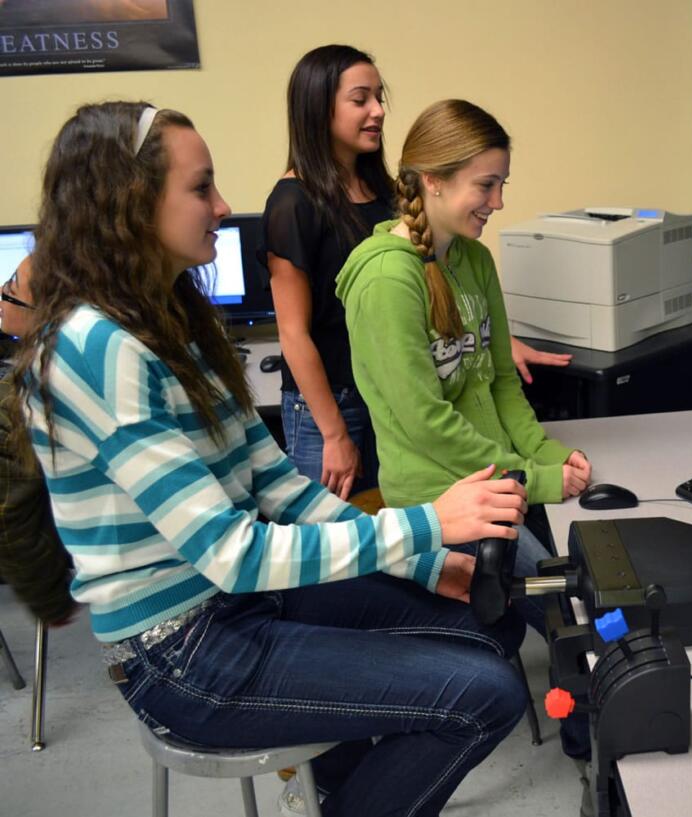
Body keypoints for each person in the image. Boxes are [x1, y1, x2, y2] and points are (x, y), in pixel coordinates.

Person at [11, 100, 534, 817]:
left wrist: (422, 559)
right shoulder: (99, 349)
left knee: (491, 622)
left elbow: (277, 485)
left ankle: (345, 789)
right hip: (183, 652)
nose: (223, 207)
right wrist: (426, 527)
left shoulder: (173, 324)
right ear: (128, 203)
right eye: (201, 189)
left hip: (236, 604)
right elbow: (231, 551)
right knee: (488, 694)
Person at [335, 98, 594, 786]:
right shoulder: (385, 278)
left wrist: (545, 456)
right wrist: (535, 481)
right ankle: (593, 739)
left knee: (571, 600)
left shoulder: (473, 261)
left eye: (501, 182)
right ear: (431, 180)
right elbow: (425, 424)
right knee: (571, 612)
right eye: (487, 184)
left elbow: (501, 384)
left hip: (496, 481)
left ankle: (586, 722)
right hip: (441, 500)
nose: (499, 200)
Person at [263, 45, 567, 500]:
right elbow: (293, 333)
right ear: (317, 107)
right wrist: (333, 434)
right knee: (342, 544)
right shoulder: (293, 203)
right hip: (334, 403)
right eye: (361, 99)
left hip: (395, 386)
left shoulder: (385, 192)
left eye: (379, 97)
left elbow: (432, 284)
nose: (378, 111)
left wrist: (484, 340)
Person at [0, 257, 76, 629]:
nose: (2, 293)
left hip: (70, 561)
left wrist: (51, 603)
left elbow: (11, 521)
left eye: (12, 287)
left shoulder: (20, 398)